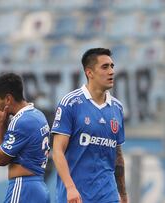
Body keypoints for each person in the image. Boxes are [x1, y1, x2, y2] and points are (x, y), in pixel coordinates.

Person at [51, 48, 127, 203]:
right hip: (77, 195)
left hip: (108, 195)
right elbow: (57, 151)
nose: (111, 71)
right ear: (89, 73)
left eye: (112, 66)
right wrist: (70, 188)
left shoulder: (117, 108)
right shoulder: (71, 103)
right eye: (105, 67)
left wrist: (124, 196)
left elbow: (118, 156)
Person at [0, 73, 51, 203]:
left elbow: (0, 159)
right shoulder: (38, 115)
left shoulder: (21, 121)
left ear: (8, 99)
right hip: (38, 187)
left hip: (23, 187)